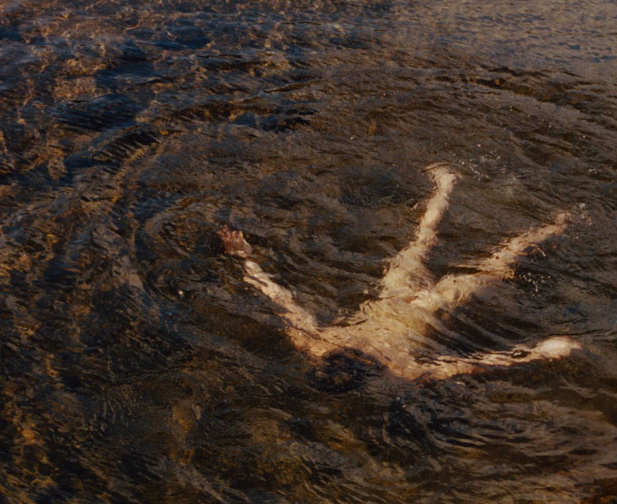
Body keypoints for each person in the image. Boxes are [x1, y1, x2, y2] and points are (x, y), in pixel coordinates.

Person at [219, 164, 580, 382]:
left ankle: (446, 185)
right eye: (363, 356)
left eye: (352, 351)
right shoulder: (398, 369)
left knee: (426, 242)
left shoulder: (320, 343)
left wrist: (246, 260)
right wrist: (540, 352)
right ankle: (557, 226)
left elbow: (280, 298)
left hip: (399, 296)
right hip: (431, 305)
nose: (361, 348)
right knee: (494, 262)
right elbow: (470, 364)